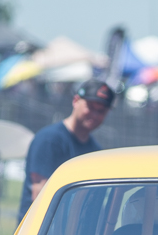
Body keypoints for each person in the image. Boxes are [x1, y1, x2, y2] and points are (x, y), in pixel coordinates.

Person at [18, 79, 114, 222]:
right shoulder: (49, 140)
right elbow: (40, 195)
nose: (94, 115)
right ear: (76, 101)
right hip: (42, 230)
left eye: (101, 111)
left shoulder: (95, 151)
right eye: (90, 107)